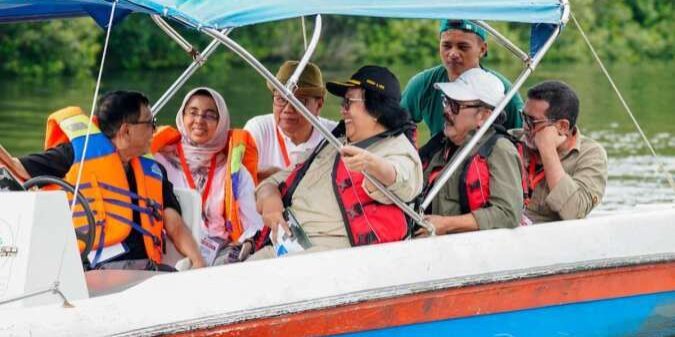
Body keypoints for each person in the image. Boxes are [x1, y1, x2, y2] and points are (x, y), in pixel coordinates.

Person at [1, 91, 205, 270]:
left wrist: (198, 261)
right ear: (126, 130)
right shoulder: (73, 154)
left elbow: (174, 223)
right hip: (84, 271)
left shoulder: (154, 170)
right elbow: (14, 169)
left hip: (145, 270)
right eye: (150, 123)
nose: (155, 129)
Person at [254, 65, 423, 259]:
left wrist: (372, 164)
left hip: (326, 255)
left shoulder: (396, 148)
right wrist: (269, 200)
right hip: (283, 243)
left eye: (348, 102)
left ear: (376, 110)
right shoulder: (333, 143)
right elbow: (273, 182)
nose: (342, 110)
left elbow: (405, 181)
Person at [152, 87, 263, 265]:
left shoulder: (235, 172)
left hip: (219, 254)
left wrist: (242, 246)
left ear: (221, 122)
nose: (199, 121)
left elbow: (253, 225)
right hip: (168, 249)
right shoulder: (157, 163)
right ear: (182, 116)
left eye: (210, 115)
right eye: (193, 113)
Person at [416, 68, 524, 236]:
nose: (446, 111)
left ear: (484, 116)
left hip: (470, 250)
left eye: (455, 105)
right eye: (446, 101)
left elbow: (507, 213)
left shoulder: (500, 149)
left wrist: (445, 224)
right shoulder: (439, 145)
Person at [401, 19, 524, 137]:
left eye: (463, 47)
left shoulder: (504, 92)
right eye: (447, 46)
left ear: (482, 49)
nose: (453, 53)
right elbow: (394, 125)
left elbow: (521, 140)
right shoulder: (423, 84)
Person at [517, 81, 608, 223]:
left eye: (532, 122)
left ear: (562, 126)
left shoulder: (591, 155)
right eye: (523, 117)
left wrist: (547, 150)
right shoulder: (513, 141)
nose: (525, 127)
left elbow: (574, 211)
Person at [244, 61, 337, 181]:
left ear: (319, 105)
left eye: (299, 101)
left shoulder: (335, 136)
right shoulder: (258, 129)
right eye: (281, 99)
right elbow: (237, 181)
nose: (288, 109)